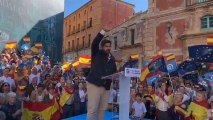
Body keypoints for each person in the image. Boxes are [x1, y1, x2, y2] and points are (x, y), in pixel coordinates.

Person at [86, 30, 117, 120]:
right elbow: (94, 43)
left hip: (106, 87)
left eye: (110, 46)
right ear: (102, 47)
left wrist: (115, 78)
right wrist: (102, 32)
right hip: (94, 84)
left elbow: (114, 72)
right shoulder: (96, 53)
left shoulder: (112, 59)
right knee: (93, 109)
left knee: (102, 109)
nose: (108, 48)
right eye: (106, 46)